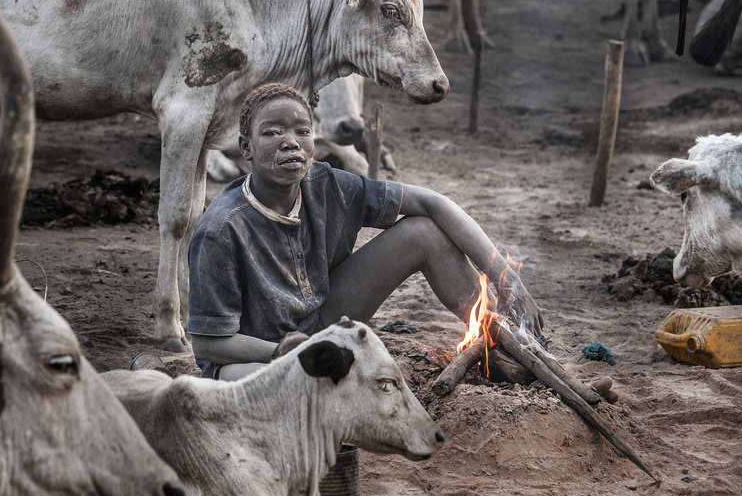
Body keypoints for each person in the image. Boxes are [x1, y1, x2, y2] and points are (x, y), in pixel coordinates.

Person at [187, 82, 543, 381]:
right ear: (246, 147)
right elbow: (207, 344)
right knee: (303, 380)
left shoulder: (327, 184)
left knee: (424, 233)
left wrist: (505, 277)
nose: (290, 141)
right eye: (272, 132)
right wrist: (287, 350)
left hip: (322, 320)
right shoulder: (221, 230)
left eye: (302, 131)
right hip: (252, 357)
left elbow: (434, 203)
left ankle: (516, 347)